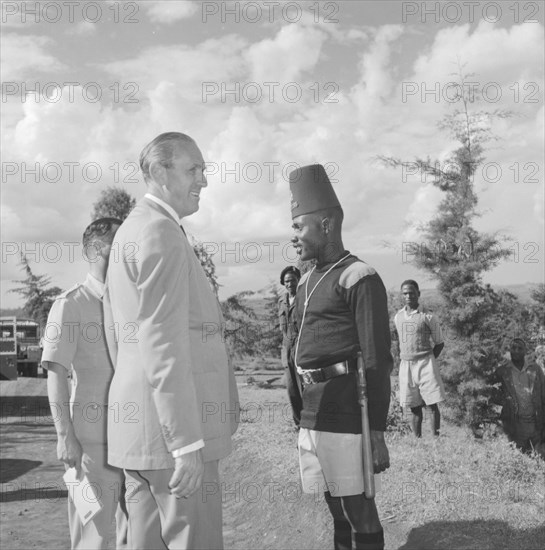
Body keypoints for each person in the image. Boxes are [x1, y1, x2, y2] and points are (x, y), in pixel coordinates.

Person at [105, 132, 239, 549]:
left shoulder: (131, 230)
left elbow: (122, 338)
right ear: (160, 172)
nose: (203, 179)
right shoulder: (160, 233)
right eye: (192, 169)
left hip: (140, 432)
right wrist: (185, 442)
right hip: (173, 437)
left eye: (203, 169)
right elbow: (163, 342)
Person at [289, 164, 392, 550]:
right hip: (315, 412)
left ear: (327, 224)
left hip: (350, 412)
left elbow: (378, 359)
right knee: (335, 506)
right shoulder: (306, 279)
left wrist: (377, 433)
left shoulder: (359, 276)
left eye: (300, 227)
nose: (294, 236)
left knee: (359, 509)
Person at [42, 218, 127, 550]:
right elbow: (55, 373)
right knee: (92, 539)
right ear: (95, 250)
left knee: (133, 536)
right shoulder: (68, 305)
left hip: (132, 443)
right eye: (117, 245)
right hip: (87, 450)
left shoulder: (129, 304)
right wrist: (65, 437)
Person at [393, 280, 446, 438]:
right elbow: (400, 341)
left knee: (431, 404)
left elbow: (439, 342)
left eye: (411, 292)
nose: (408, 296)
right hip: (406, 364)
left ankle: (436, 440)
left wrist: (429, 361)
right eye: (405, 293)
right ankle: (417, 441)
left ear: (418, 293)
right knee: (413, 406)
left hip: (426, 363)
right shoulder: (398, 317)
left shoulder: (428, 316)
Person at [497, 338, 545, 457]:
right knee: (519, 459)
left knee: (539, 460)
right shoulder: (502, 371)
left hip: (536, 425)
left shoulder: (535, 369)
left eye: (520, 348)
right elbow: (494, 396)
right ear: (510, 350)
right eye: (513, 348)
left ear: (525, 351)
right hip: (515, 426)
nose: (516, 351)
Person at [278, 265, 303, 428]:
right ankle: (298, 424)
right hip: (287, 349)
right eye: (287, 281)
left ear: (298, 281)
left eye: (293, 280)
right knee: (292, 389)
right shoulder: (281, 301)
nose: (290, 284)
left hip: (301, 347)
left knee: (304, 387)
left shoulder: (303, 298)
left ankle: (310, 423)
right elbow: (282, 328)